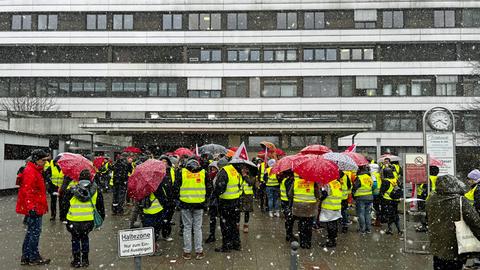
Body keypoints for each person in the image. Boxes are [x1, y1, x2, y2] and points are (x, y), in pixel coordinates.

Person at [427, 175, 480, 270]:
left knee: (439, 266)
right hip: (456, 246)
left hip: (437, 245)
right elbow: (475, 222)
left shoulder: (431, 199)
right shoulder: (460, 201)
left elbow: (427, 218)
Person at [16, 149, 51, 265]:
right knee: (34, 233)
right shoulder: (31, 171)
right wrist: (31, 207)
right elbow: (28, 191)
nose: (45, 162)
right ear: (36, 160)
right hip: (35, 207)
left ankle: (26, 257)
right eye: (43, 160)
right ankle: (33, 257)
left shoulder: (34, 170)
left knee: (31, 232)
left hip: (35, 206)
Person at [63, 171, 105, 268]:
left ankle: (76, 260)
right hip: (88, 220)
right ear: (90, 178)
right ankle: (85, 260)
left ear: (79, 179)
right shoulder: (95, 190)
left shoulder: (72, 190)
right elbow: (100, 207)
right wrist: (101, 218)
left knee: (75, 239)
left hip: (73, 220)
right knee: (85, 238)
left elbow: (64, 205)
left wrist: (64, 217)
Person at [173, 159, 209, 260]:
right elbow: (209, 188)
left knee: (187, 228)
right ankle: (199, 251)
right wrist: (205, 200)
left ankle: (187, 252)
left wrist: (178, 201)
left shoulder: (182, 173)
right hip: (199, 204)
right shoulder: (203, 173)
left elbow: (175, 188)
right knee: (198, 228)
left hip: (185, 204)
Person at [213, 160, 250, 252]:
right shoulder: (236, 171)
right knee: (234, 224)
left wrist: (216, 194)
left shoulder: (224, 171)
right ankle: (236, 244)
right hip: (236, 202)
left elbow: (220, 187)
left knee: (225, 225)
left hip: (226, 202)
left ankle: (226, 246)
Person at [289, 176, 320, 249]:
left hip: (299, 207)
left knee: (301, 225)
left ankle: (302, 242)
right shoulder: (313, 183)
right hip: (310, 208)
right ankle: (308, 243)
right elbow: (318, 195)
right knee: (309, 226)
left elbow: (290, 194)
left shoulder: (295, 182)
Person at [140, 177, 167, 256]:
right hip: (157, 209)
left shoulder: (141, 184)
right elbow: (162, 196)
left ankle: (148, 247)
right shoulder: (156, 183)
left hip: (146, 210)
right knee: (156, 230)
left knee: (148, 230)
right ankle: (153, 248)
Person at [206, 158, 228, 243]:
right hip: (213, 200)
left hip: (218, 199)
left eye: (214, 168)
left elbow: (219, 187)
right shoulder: (210, 176)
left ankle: (224, 240)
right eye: (211, 168)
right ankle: (212, 235)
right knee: (212, 218)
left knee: (221, 220)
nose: (212, 170)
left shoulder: (220, 175)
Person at [319, 177, 342, 248]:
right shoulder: (337, 183)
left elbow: (324, 195)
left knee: (330, 224)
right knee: (334, 223)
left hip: (329, 206)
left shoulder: (327, 184)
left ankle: (330, 241)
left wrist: (320, 196)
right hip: (337, 206)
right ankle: (333, 240)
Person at [352, 165, 374, 234]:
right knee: (367, 213)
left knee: (361, 213)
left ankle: (362, 229)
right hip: (369, 197)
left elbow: (355, 187)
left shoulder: (359, 178)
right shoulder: (369, 177)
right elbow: (372, 186)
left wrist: (353, 194)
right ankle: (368, 229)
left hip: (360, 198)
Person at [380, 167, 402, 235]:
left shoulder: (385, 181)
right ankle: (399, 229)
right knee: (395, 214)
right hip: (395, 200)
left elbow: (382, 191)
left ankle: (390, 229)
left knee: (390, 215)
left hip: (388, 200)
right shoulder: (395, 180)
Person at [44, 156, 63, 221]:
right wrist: (49, 181)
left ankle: (62, 216)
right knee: (53, 202)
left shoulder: (64, 167)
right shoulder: (51, 167)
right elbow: (45, 174)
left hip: (61, 187)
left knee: (61, 202)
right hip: (53, 187)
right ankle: (53, 215)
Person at [278, 170, 296, 242]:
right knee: (289, 219)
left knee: (288, 219)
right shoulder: (288, 181)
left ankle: (288, 234)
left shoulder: (284, 180)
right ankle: (289, 235)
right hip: (287, 203)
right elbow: (290, 194)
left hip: (283, 201)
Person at [239, 165, 255, 233]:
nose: (244, 170)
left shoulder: (252, 176)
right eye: (243, 169)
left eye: (246, 169)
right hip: (239, 195)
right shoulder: (239, 175)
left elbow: (251, 183)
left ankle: (246, 225)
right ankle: (237, 224)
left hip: (248, 196)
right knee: (238, 211)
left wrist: (245, 176)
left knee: (247, 211)